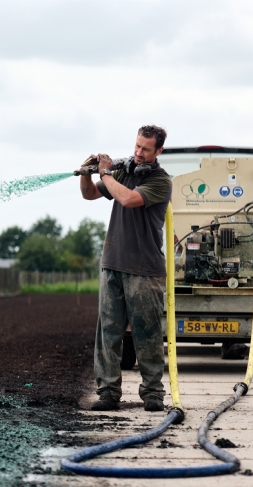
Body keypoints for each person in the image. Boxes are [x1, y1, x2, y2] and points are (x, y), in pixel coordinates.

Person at [79, 125, 172, 412]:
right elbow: (91, 194)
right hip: (112, 263)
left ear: (159, 151)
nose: (138, 153)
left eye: (146, 148)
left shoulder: (160, 181)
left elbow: (129, 199)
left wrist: (106, 172)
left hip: (145, 269)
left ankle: (153, 394)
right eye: (137, 146)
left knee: (148, 334)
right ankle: (108, 393)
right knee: (108, 332)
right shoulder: (124, 171)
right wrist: (88, 174)